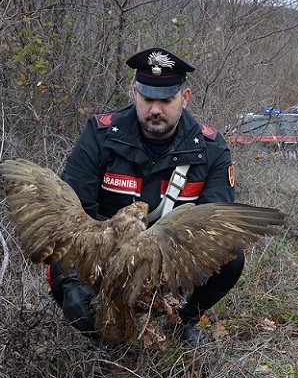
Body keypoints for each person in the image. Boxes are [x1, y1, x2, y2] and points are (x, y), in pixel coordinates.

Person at [46, 47, 243, 347]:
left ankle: (182, 321)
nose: (155, 109)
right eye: (148, 98)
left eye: (166, 100)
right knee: (62, 277)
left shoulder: (211, 148)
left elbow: (217, 230)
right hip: (107, 254)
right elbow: (72, 217)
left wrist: (174, 283)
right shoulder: (100, 136)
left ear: (184, 98)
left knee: (232, 258)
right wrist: (72, 280)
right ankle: (105, 336)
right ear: (135, 93)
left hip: (172, 258)